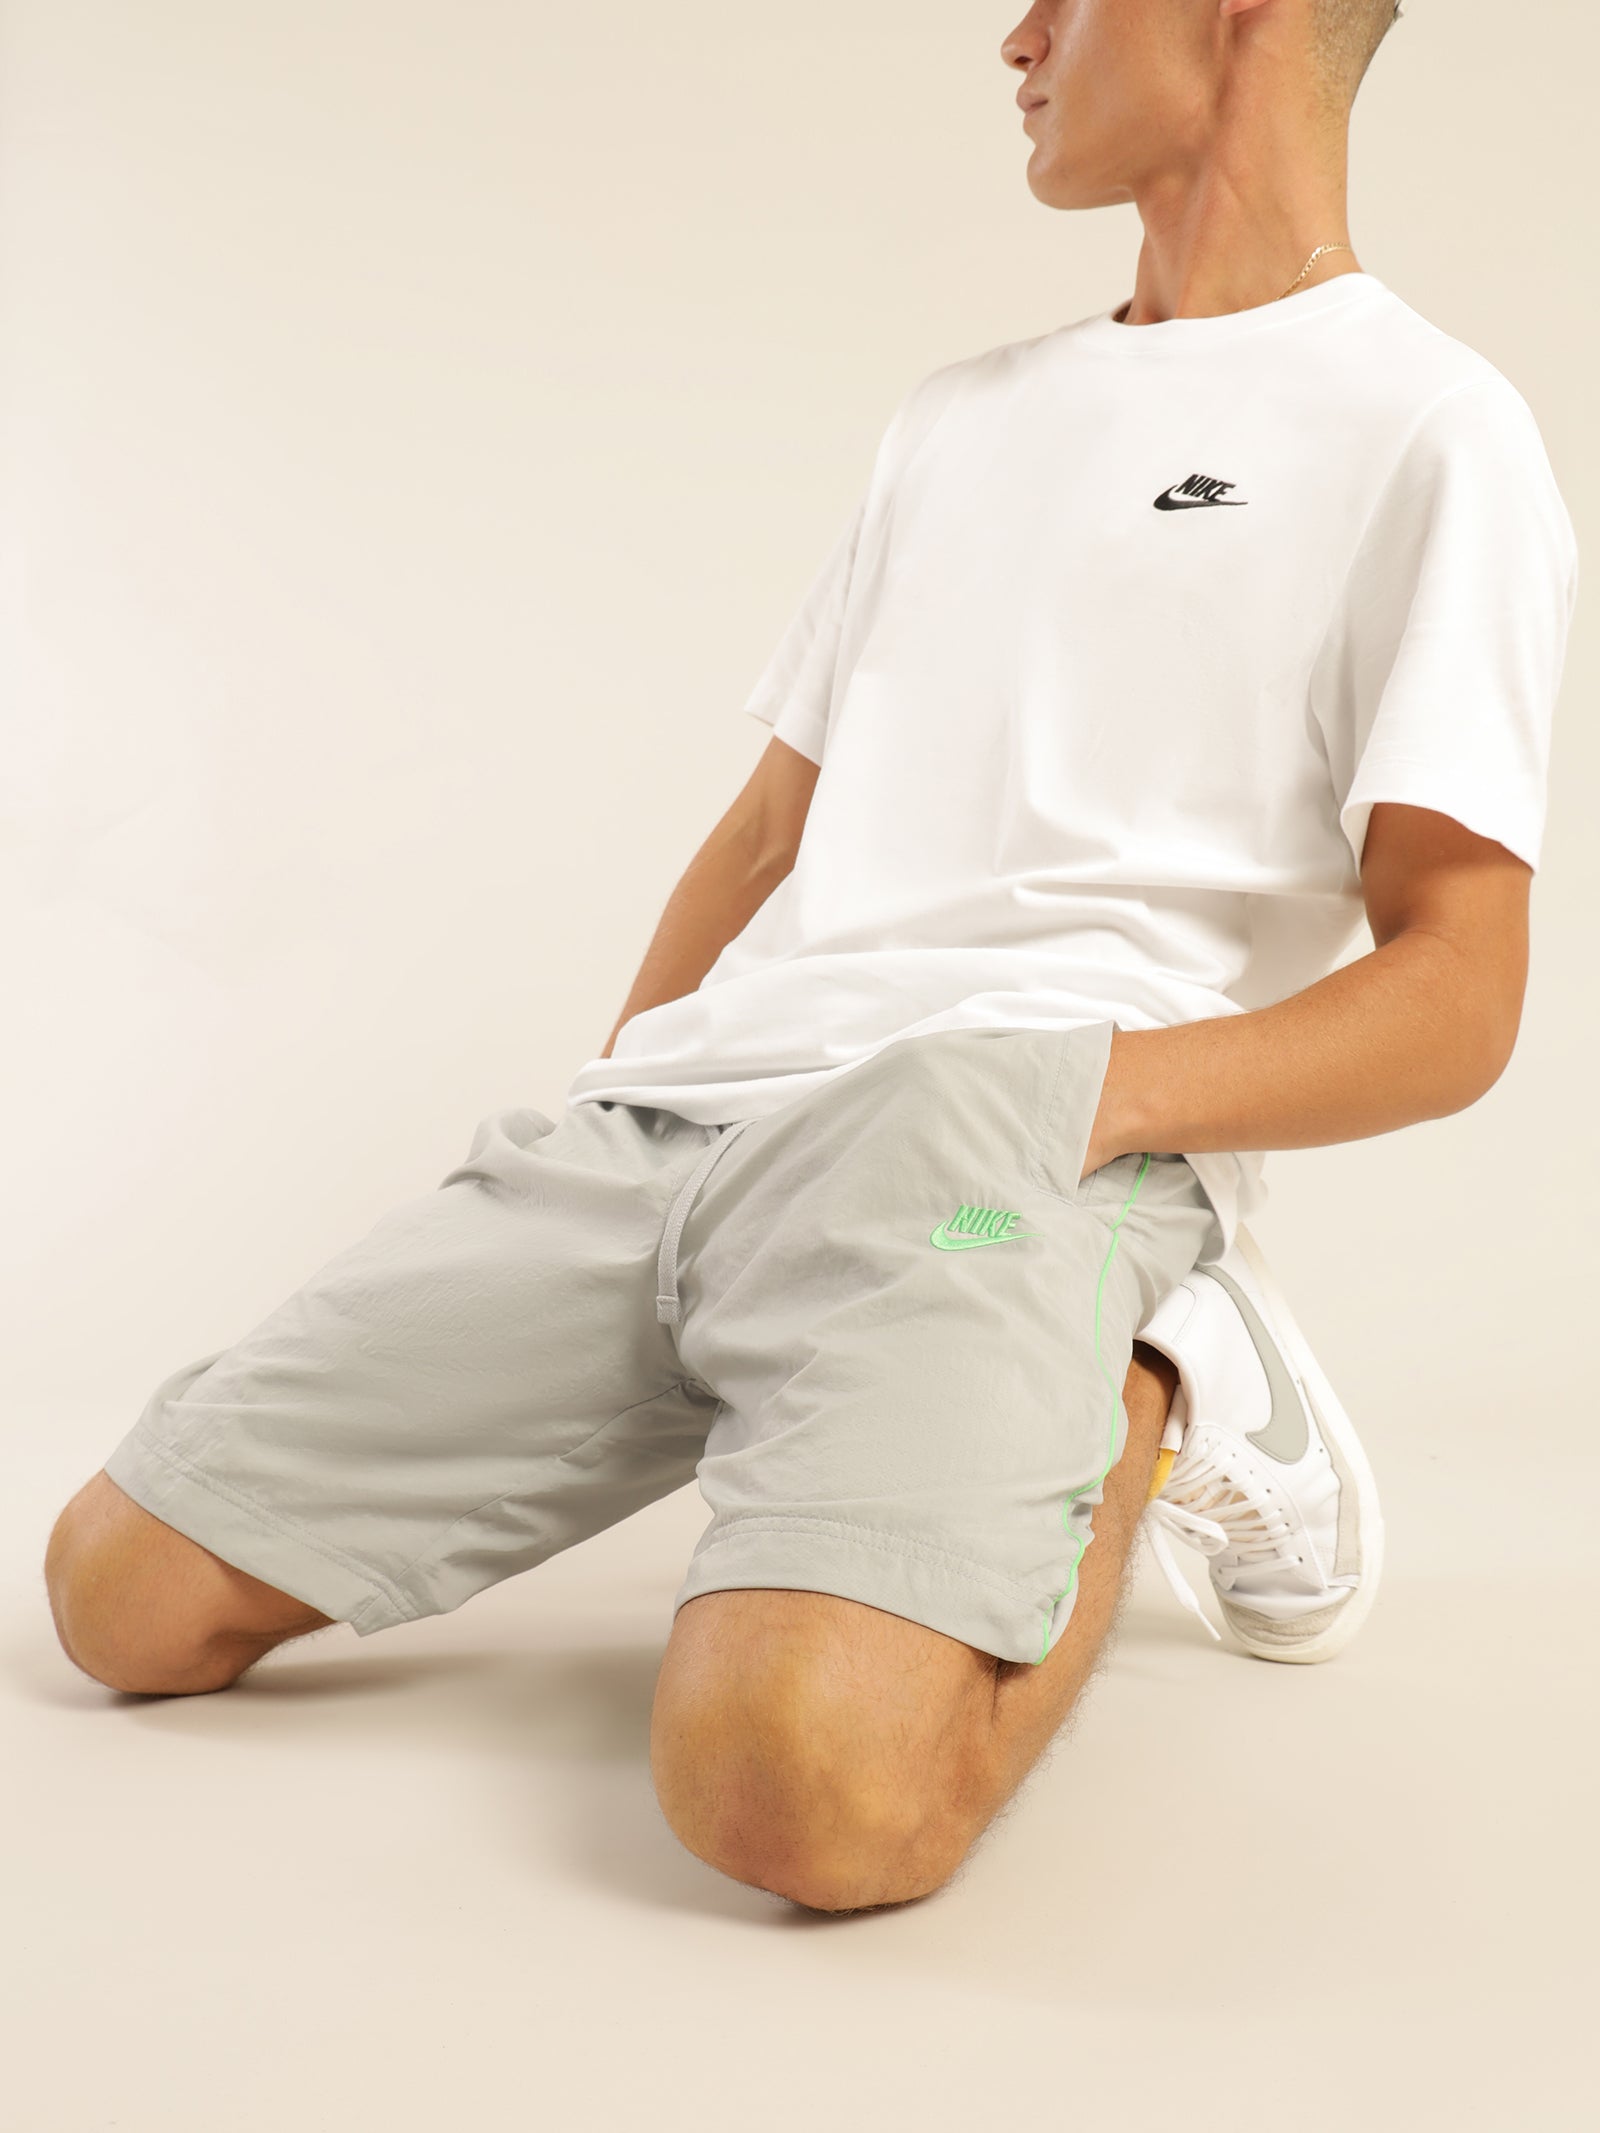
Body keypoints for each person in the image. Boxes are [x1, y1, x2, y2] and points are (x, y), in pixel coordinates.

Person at [44, 0, 1576, 1918]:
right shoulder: (958, 419)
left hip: (994, 1160)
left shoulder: (1430, 429)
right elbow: (771, 831)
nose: (1015, 36)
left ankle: (1144, 1363)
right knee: (121, 1597)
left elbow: (1460, 987)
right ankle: (843, 1369)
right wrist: (622, 1087)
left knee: (800, 1793)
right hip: (690, 1126)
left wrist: (1074, 1104)